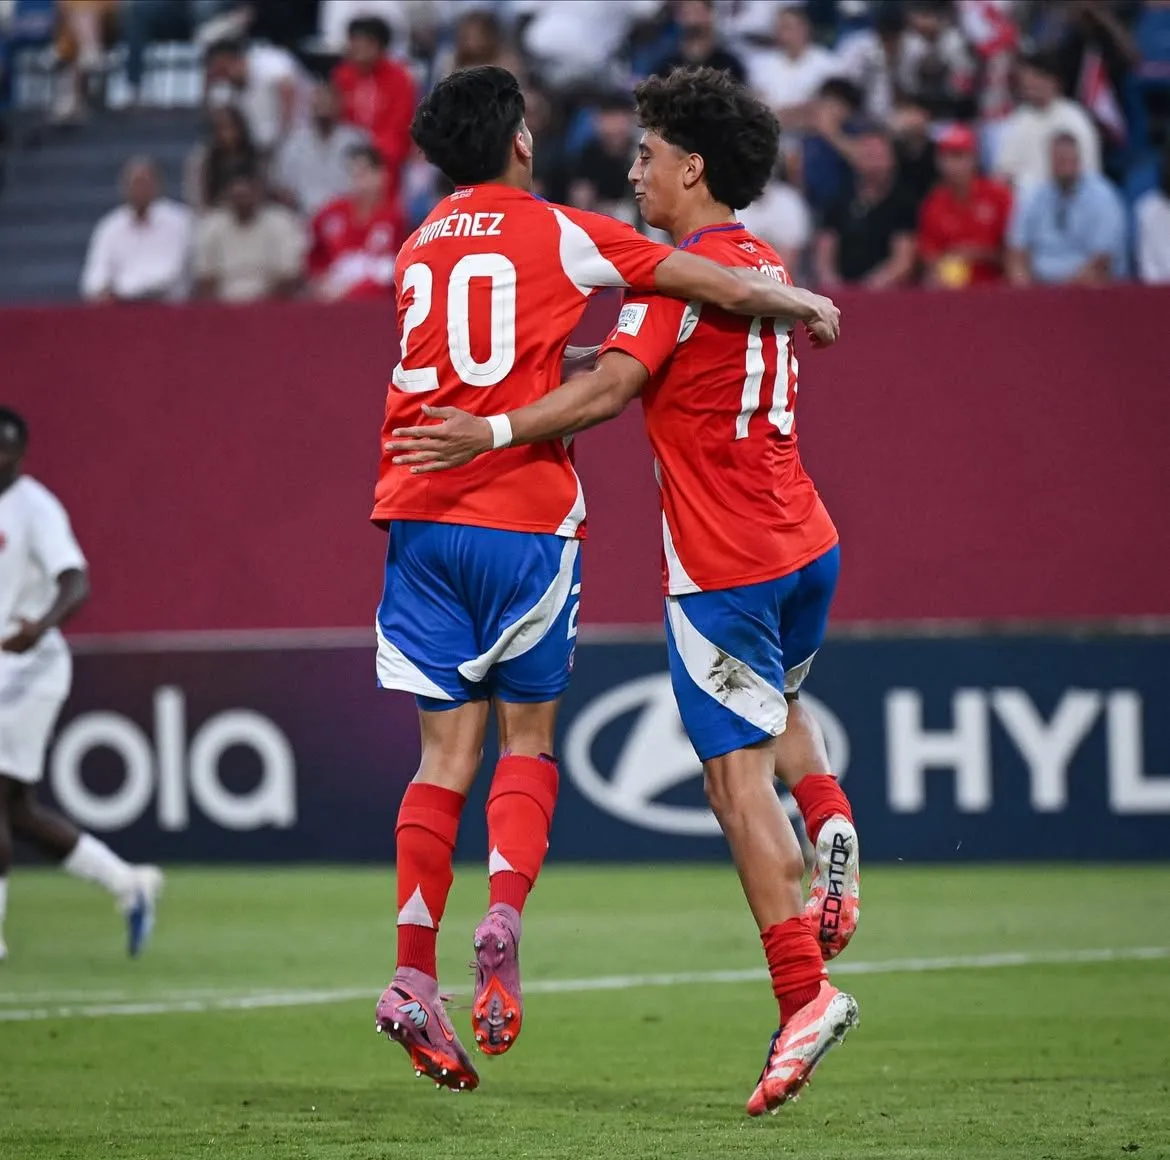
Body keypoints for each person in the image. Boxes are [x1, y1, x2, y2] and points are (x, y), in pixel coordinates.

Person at [382, 65, 859, 1116]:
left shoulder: (427, 249)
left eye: (647, 155)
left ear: (691, 166)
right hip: (803, 540)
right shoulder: (753, 252)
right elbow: (694, 323)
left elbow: (612, 383)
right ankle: (828, 819)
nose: (631, 166)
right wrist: (803, 294)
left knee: (730, 785)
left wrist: (496, 423)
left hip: (709, 558)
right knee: (760, 711)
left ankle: (804, 992)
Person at [0, 409, 163, 964]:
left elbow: (76, 580)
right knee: (18, 811)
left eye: (7, 452)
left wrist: (38, 628)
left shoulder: (35, 508)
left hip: (28, 668)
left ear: (19, 455)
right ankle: (128, 882)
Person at [1006, 131, 1127, 286]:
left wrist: (1063, 293)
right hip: (1038, 290)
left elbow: (1102, 261)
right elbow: (1016, 251)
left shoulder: (1103, 197)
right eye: (1058, 159)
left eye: (1068, 159)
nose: (1064, 165)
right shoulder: (1034, 196)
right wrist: (1024, 285)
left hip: (1086, 290)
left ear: (1078, 160)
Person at [80, 156, 193, 304]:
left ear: (158, 185)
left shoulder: (179, 221)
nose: (140, 189)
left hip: (168, 307)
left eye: (145, 183)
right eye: (135, 183)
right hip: (122, 309)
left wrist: (137, 291)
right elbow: (94, 280)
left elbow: (174, 273)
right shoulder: (109, 227)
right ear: (124, 187)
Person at [815, 126, 918, 288]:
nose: (874, 164)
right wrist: (832, 283)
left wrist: (870, 287)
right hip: (840, 292)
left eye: (879, 156)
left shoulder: (904, 203)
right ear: (856, 159)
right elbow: (825, 249)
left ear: (892, 160)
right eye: (868, 156)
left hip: (885, 292)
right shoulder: (839, 198)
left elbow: (903, 260)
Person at [192, 163, 306, 302]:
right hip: (223, 305)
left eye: (247, 195)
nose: (243, 201)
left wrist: (260, 309)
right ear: (228, 194)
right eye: (238, 196)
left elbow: (290, 276)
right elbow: (205, 278)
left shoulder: (282, 222)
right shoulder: (211, 225)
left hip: (270, 305)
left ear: (259, 193)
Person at [331, 16, 415, 204]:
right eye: (355, 42)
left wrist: (374, 155)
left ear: (381, 46)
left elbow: (400, 124)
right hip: (347, 153)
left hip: (387, 158)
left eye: (366, 42)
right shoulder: (341, 75)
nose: (359, 48)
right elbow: (339, 119)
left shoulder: (399, 77)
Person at [918, 124, 1012, 288]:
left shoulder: (999, 196)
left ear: (974, 159)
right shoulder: (934, 203)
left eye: (958, 156)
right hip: (951, 292)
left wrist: (975, 253)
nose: (950, 165)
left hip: (995, 288)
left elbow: (1015, 254)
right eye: (945, 157)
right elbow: (929, 258)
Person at [308, 144, 405, 301]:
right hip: (331, 302)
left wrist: (350, 290)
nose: (358, 183)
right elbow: (314, 260)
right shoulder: (330, 213)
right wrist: (319, 283)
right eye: (353, 175)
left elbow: (393, 273)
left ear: (382, 176)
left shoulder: (396, 218)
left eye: (363, 174)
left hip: (375, 305)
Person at [994, 51, 1101, 193]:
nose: (1030, 83)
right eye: (1027, 78)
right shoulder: (1016, 121)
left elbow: (1090, 174)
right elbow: (1002, 174)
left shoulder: (1075, 119)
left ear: (1054, 81)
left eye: (1037, 77)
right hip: (1023, 203)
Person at [272, 82, 368, 216]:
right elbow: (282, 186)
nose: (322, 107)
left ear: (338, 105)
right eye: (318, 102)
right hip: (303, 217)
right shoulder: (294, 142)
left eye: (328, 102)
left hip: (347, 217)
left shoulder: (356, 140)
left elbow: (366, 184)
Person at [204, 36, 309, 154]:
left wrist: (282, 142)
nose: (223, 75)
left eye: (224, 68)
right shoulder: (222, 89)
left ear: (236, 60)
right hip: (256, 149)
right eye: (219, 71)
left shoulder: (269, 63)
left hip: (298, 137)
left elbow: (288, 92)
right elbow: (217, 118)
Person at [183, 103, 264, 213]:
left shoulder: (257, 157)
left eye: (230, 127)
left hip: (252, 216)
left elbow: (265, 190)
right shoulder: (201, 159)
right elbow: (195, 196)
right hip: (214, 216)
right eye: (220, 128)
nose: (226, 134)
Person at [652, 0, 747, 83]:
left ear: (710, 16)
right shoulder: (666, 66)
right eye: (687, 12)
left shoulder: (729, 65)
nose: (691, 19)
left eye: (697, 11)